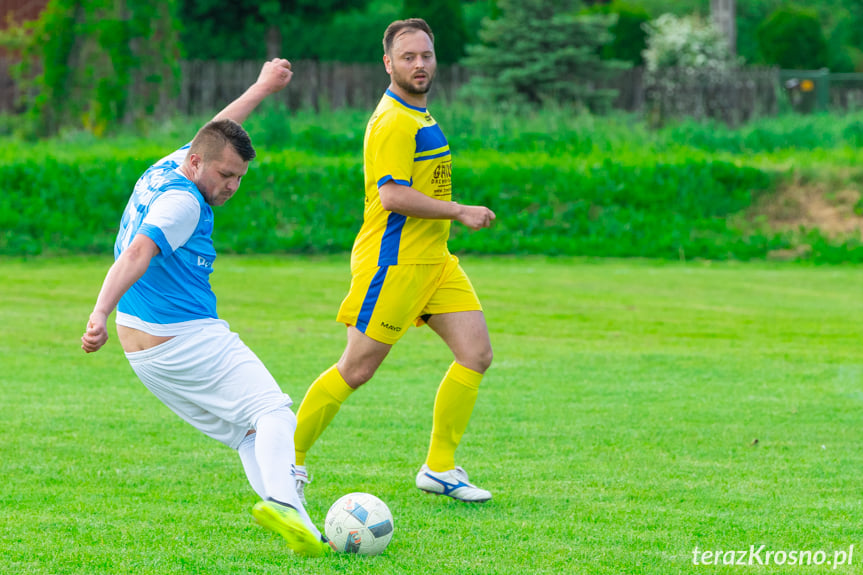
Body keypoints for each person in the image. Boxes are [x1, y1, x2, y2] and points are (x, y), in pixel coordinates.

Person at [81, 58, 330, 557]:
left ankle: (305, 532)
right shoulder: (185, 203)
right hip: (183, 337)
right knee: (275, 411)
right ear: (197, 166)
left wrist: (261, 87)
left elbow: (217, 128)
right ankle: (283, 498)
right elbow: (137, 255)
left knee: (247, 433)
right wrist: (97, 313)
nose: (232, 186)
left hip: (144, 350)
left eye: (239, 177)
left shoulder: (176, 161)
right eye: (226, 175)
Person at [293, 18, 496, 504]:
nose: (419, 64)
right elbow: (391, 196)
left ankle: (440, 468)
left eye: (425, 55)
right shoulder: (393, 120)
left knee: (476, 354)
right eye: (408, 57)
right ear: (388, 64)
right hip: (395, 264)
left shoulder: (422, 115)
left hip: (436, 261)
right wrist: (458, 210)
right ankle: (288, 457)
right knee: (356, 369)